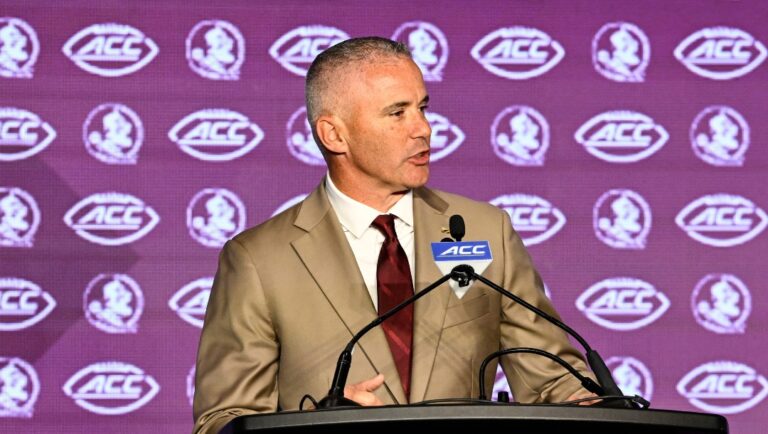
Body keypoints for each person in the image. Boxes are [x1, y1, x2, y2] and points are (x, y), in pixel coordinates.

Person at [193, 37, 596, 434]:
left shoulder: (484, 230)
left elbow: (552, 381)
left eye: (422, 107)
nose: (423, 128)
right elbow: (222, 421)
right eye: (397, 113)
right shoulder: (260, 260)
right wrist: (314, 422)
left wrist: (597, 404)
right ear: (335, 135)